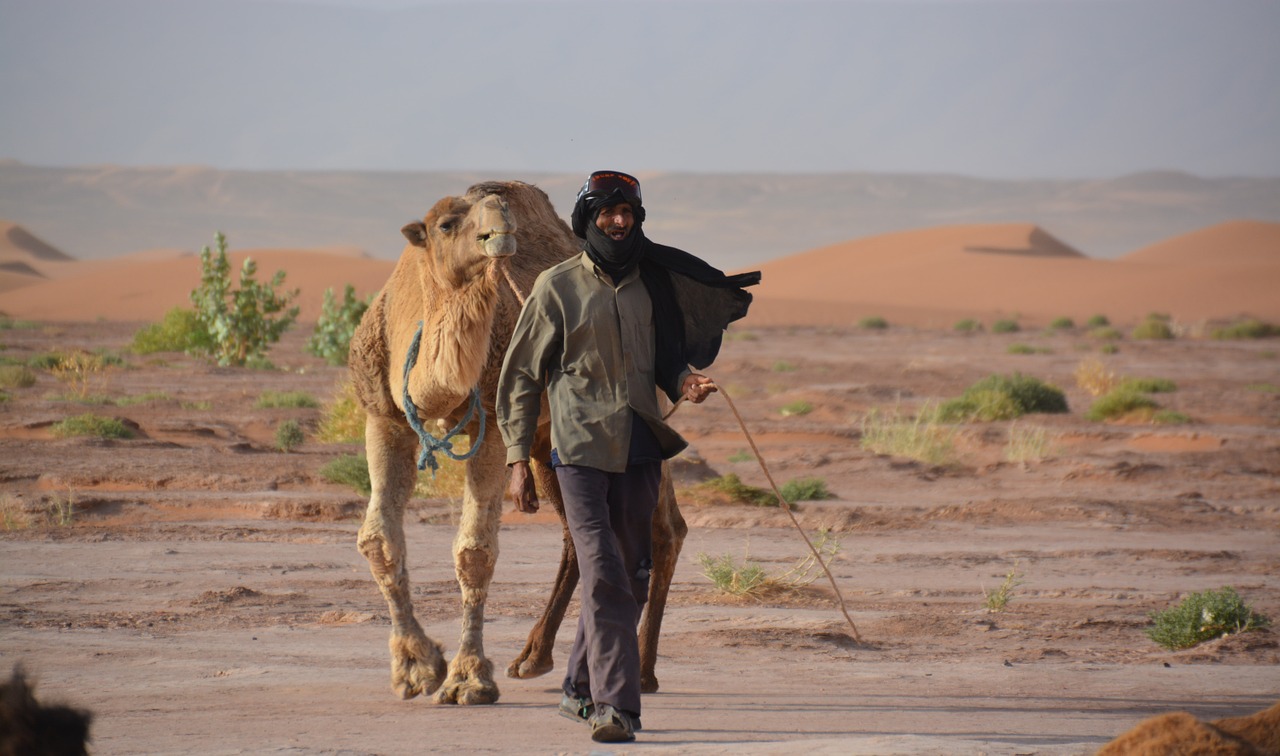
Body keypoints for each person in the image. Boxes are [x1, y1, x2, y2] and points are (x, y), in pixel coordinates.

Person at [497, 170, 760, 743]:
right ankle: (617, 708)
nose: (618, 222)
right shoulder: (557, 287)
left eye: (628, 214)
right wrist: (519, 459)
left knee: (633, 578)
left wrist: (686, 382)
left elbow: (666, 360)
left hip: (641, 447)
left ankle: (576, 687)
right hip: (580, 452)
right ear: (587, 219)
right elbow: (521, 376)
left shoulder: (652, 285)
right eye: (607, 213)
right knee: (605, 574)